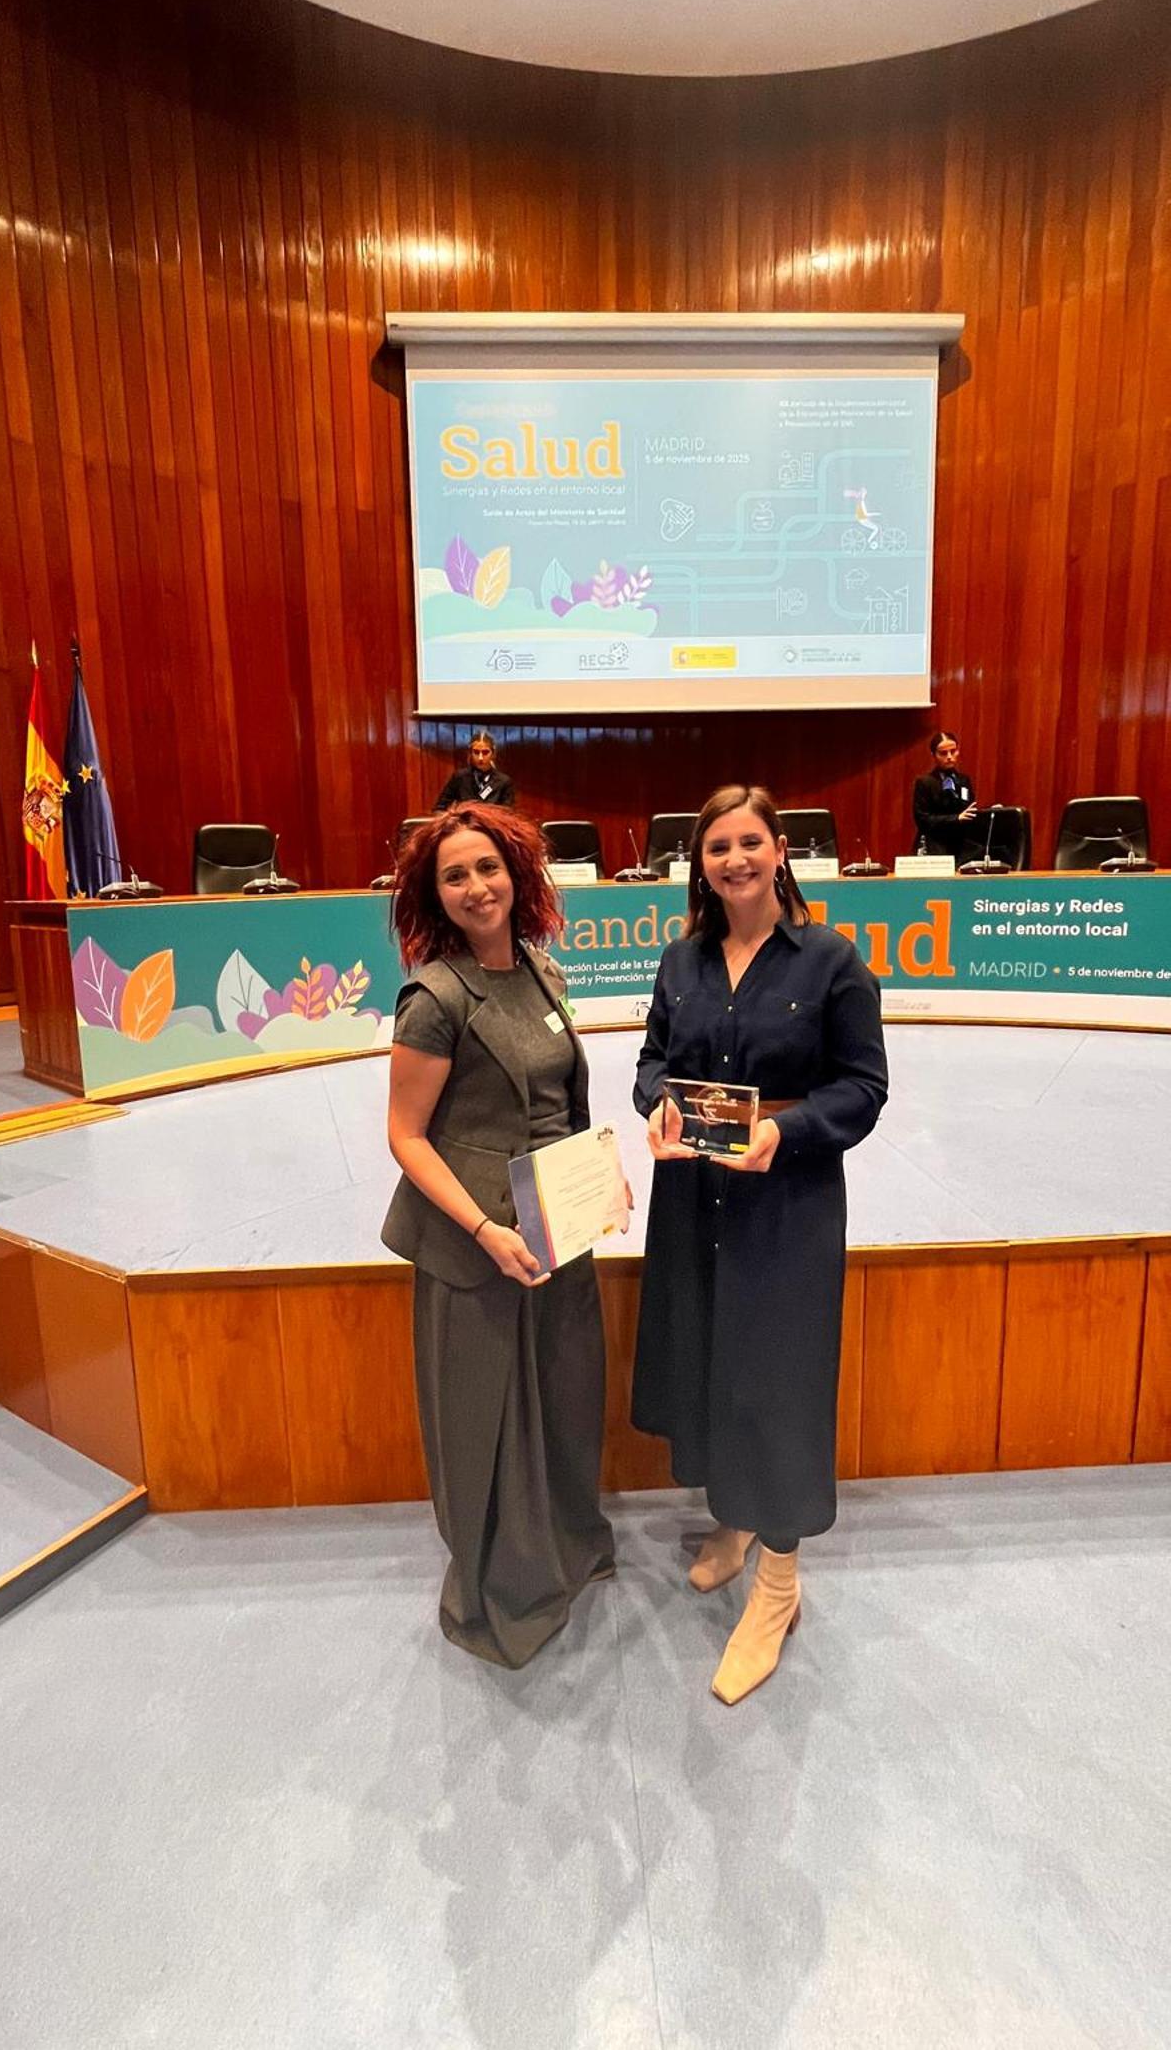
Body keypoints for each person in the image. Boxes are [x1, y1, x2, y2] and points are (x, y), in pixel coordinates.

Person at [631, 784, 888, 1706]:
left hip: (789, 1201)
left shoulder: (832, 963)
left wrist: (787, 1133)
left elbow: (864, 1088)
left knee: (776, 1379)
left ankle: (778, 1582)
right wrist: (658, 1104)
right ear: (698, 864)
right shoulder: (682, 959)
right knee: (709, 1360)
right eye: (715, 848)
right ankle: (732, 1521)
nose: (733, 860)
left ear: (781, 850)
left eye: (750, 843)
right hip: (692, 1193)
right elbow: (651, 1062)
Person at [382, 803, 614, 1668]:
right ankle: (503, 1586)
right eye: (454, 875)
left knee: (561, 1397)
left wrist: (603, 1171)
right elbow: (406, 1137)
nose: (476, 886)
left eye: (488, 867)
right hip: (477, 1245)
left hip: (558, 1224)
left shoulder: (541, 971)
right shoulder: (434, 998)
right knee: (491, 1419)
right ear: (433, 895)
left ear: (517, 874)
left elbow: (561, 1101)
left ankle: (565, 1547)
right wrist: (482, 1227)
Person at [912, 730, 978, 860]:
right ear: (933, 755)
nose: (949, 756)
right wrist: (956, 818)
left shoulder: (964, 781)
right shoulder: (925, 782)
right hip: (934, 846)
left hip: (962, 846)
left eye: (953, 751)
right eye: (943, 753)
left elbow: (969, 811)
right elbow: (923, 819)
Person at [432, 730, 516, 811]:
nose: (480, 758)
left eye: (485, 752)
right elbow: (439, 808)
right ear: (470, 753)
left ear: (493, 754)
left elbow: (507, 815)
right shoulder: (460, 777)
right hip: (465, 824)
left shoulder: (504, 782)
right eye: (476, 752)